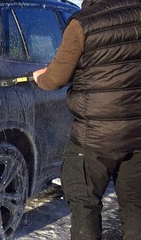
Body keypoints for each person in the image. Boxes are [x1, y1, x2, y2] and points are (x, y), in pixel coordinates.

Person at [32, 0, 141, 239]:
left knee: (84, 203)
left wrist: (40, 77)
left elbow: (56, 79)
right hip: (137, 135)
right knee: (135, 203)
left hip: (94, 138)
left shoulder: (83, 23)